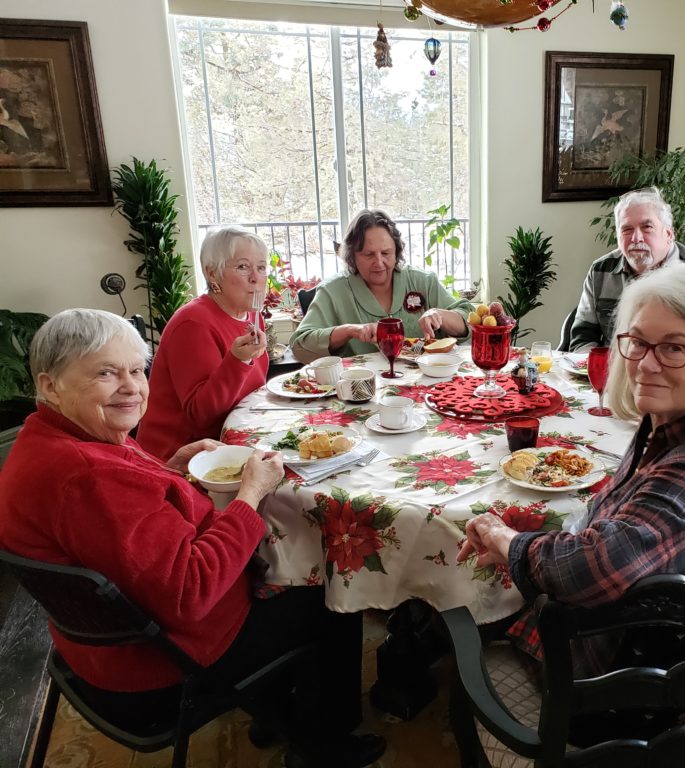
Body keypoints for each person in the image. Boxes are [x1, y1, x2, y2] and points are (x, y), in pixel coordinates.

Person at [0, 309, 385, 768]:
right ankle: (324, 742)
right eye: (105, 373)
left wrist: (170, 471)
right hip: (159, 666)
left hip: (102, 650)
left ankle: (277, 714)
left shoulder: (46, 439)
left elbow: (122, 524)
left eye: (136, 370)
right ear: (49, 385)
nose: (131, 387)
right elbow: (192, 591)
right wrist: (250, 494)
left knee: (288, 568)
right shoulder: (86, 477)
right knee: (330, 590)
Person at [458, 263, 685, 686]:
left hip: (633, 694)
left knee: (458, 626)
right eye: (638, 342)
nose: (646, 364)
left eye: (674, 348)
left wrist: (505, 539)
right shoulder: (667, 425)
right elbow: (622, 527)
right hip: (645, 641)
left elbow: (596, 568)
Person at [137, 225, 270, 461]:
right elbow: (201, 415)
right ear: (212, 273)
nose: (256, 278)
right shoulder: (193, 323)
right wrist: (239, 360)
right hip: (182, 457)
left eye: (261, 267)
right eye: (242, 267)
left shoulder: (252, 314)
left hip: (233, 437)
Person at [290, 209, 473, 361]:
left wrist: (440, 315)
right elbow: (300, 346)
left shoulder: (423, 281)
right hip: (361, 395)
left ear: (397, 251)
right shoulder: (333, 291)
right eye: (369, 255)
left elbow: (471, 322)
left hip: (429, 388)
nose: (379, 262)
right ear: (352, 256)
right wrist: (349, 331)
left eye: (386, 253)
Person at [569, 186, 685, 351]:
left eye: (647, 227)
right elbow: (582, 338)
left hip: (674, 370)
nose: (636, 238)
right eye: (627, 229)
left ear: (669, 234)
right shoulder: (601, 270)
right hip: (610, 371)